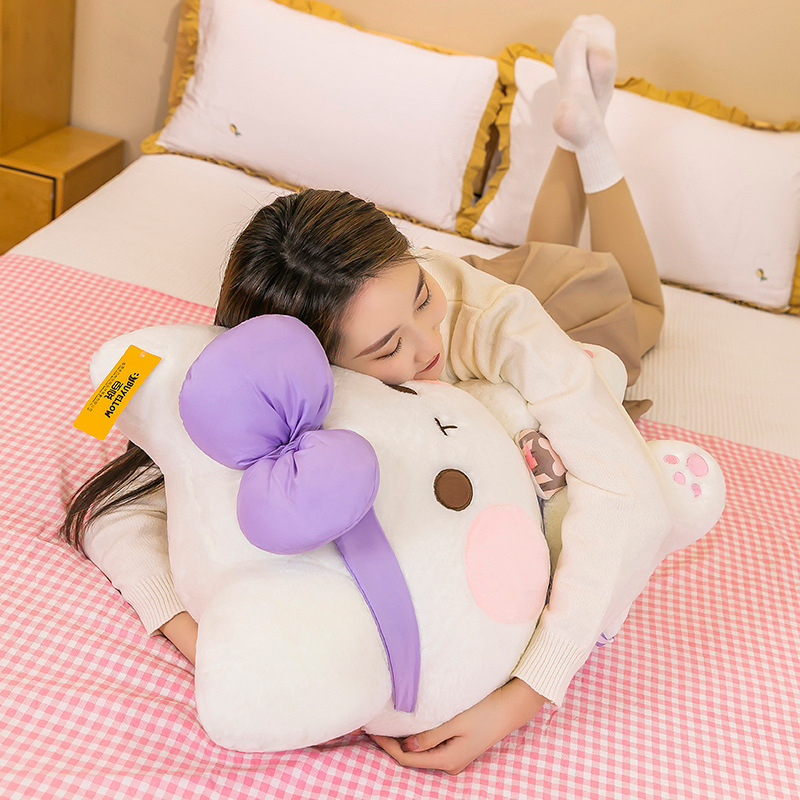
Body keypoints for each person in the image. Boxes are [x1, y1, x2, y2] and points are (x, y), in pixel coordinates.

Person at [60, 16, 669, 774]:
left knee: (640, 306)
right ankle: (573, 132)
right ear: (313, 357)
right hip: (450, 292)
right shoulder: (272, 365)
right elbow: (121, 505)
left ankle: (589, 138)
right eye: (386, 351)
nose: (425, 349)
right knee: (528, 260)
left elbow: (633, 498)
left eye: (419, 299)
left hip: (545, 314)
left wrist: (524, 695)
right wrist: (202, 636)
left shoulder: (490, 323)